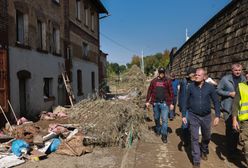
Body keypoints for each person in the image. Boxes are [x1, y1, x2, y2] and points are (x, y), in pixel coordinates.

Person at [182, 68, 220, 168]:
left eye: (198, 75)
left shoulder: (210, 88)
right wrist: (183, 115)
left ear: (204, 76)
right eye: (196, 75)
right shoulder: (190, 87)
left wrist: (217, 115)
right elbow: (185, 101)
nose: (196, 76)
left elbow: (216, 101)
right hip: (193, 115)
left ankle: (204, 149)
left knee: (207, 136)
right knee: (194, 137)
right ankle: (196, 161)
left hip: (206, 116)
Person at [217, 63, 246, 157]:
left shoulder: (244, 79)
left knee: (237, 129)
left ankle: (234, 148)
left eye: (239, 70)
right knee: (230, 128)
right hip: (228, 107)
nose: (238, 72)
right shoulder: (225, 79)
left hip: (239, 108)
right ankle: (230, 150)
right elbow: (218, 90)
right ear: (232, 70)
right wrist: (229, 93)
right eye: (236, 70)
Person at [146, 67, 174, 143]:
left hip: (164, 103)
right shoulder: (154, 81)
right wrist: (147, 101)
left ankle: (164, 135)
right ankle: (158, 129)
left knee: (165, 119)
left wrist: (171, 103)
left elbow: (171, 92)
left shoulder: (167, 81)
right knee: (156, 118)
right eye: (160, 72)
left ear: (164, 73)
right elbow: (149, 91)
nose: (162, 74)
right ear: (158, 73)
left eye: (163, 72)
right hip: (155, 103)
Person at [178, 67, 196, 146]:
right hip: (186, 107)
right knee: (185, 124)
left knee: (193, 124)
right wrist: (181, 105)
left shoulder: (197, 82)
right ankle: (185, 139)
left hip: (194, 107)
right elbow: (181, 94)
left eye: (193, 74)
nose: (192, 75)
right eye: (190, 74)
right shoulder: (184, 82)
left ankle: (191, 138)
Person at [232, 80, 248, 164]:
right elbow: (235, 104)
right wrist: (234, 120)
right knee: (246, 142)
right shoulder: (241, 87)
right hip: (245, 121)